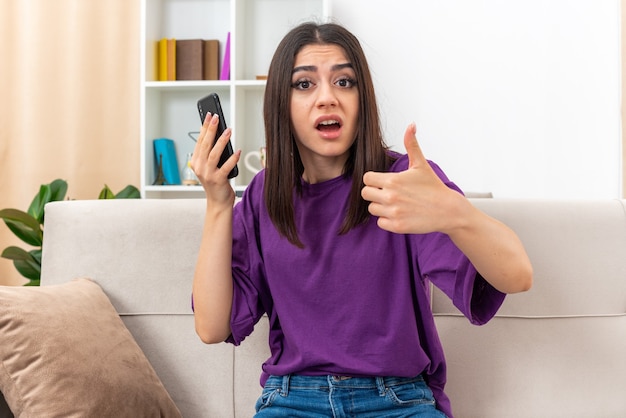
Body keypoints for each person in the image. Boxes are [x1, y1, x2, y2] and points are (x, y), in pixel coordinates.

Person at [191, 21, 532, 418]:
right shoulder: (264, 197)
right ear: (281, 103)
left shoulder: (403, 182)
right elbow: (211, 328)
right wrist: (218, 204)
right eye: (304, 84)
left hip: (398, 400)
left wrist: (456, 212)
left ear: (362, 98)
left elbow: (518, 276)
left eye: (344, 82)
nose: (327, 99)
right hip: (292, 400)